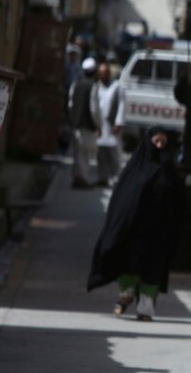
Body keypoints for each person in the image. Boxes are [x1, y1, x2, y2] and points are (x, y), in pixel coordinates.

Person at [87, 128, 184, 321]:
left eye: (163, 143)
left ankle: (145, 309)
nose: (159, 146)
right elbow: (122, 201)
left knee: (153, 268)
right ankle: (126, 295)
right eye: (156, 141)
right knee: (130, 263)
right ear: (147, 142)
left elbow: (178, 201)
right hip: (135, 229)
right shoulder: (134, 169)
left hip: (160, 230)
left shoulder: (169, 170)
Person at [69, 57, 101, 189]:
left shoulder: (76, 83)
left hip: (76, 124)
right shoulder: (93, 86)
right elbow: (94, 109)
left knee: (78, 153)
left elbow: (70, 104)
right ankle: (81, 179)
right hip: (87, 125)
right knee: (86, 154)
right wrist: (98, 125)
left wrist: (73, 119)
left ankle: (78, 178)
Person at [95, 61, 125, 187]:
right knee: (101, 154)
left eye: (105, 73)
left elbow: (122, 105)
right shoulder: (97, 86)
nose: (103, 76)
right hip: (100, 125)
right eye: (101, 74)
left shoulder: (117, 87)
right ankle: (103, 178)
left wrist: (119, 122)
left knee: (114, 154)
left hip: (112, 125)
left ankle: (116, 178)